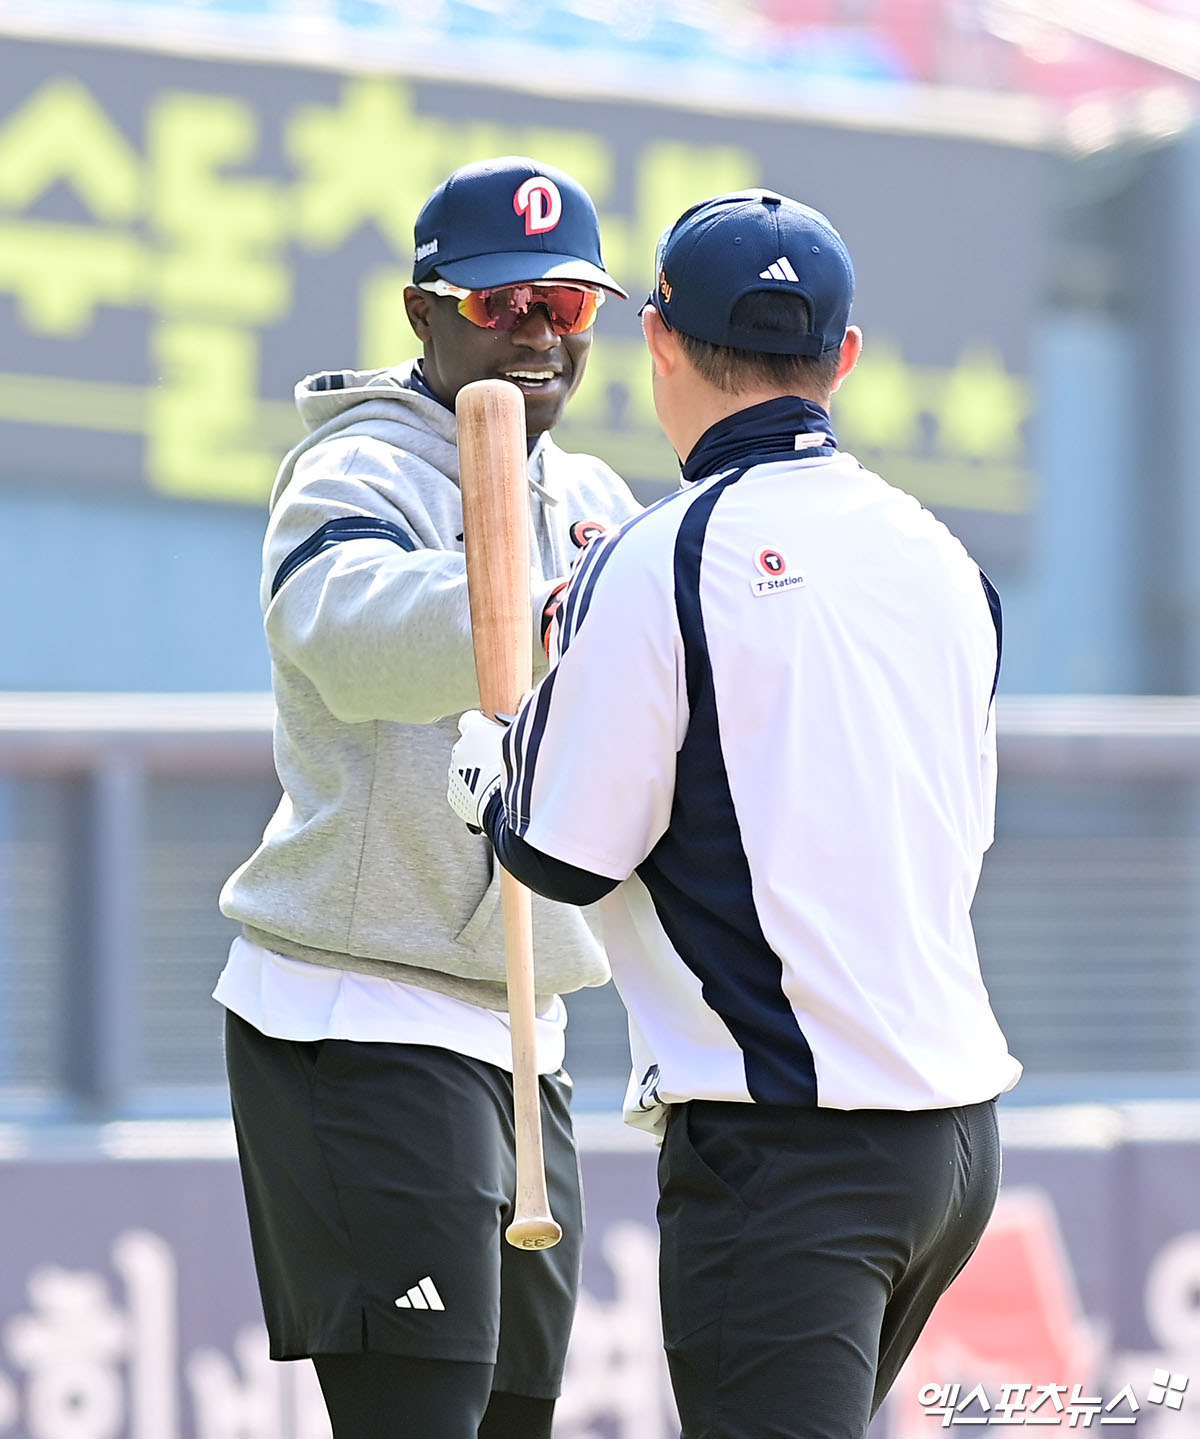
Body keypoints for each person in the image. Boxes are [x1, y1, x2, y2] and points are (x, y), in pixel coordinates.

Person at [446, 189, 1023, 1439]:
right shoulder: (942, 555)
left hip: (792, 1149)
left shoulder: (661, 555)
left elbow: (558, 852)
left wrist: (492, 757)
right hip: (956, 1142)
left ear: (658, 336)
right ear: (844, 356)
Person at [214, 155, 639, 1439]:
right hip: (362, 1009)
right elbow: (347, 637)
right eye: (501, 302)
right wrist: (546, 611)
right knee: (420, 1412)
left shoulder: (598, 499)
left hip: (525, 1030)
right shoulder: (352, 469)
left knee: (514, 1415)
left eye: (566, 304)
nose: (536, 332)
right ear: (423, 311)